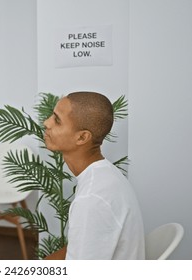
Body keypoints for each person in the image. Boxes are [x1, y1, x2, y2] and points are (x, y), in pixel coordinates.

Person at [43, 91, 145, 260]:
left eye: (57, 120)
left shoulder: (93, 198)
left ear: (82, 137)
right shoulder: (103, 175)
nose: (46, 123)